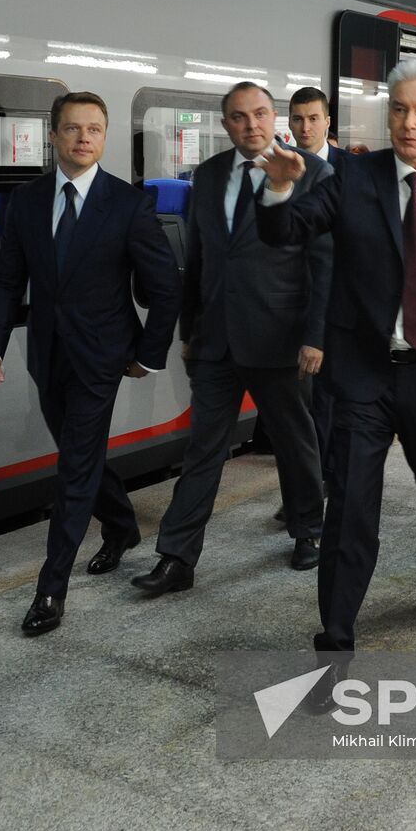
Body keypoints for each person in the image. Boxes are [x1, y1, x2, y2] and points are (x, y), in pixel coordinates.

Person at [255, 55, 416, 685]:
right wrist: (281, 186)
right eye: (399, 110)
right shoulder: (352, 176)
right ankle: (335, 641)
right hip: (365, 373)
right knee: (352, 509)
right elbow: (286, 231)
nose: (409, 123)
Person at [0, 92, 181, 635]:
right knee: (79, 454)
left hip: (102, 355)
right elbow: (6, 283)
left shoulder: (127, 203)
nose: (83, 138)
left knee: (73, 469)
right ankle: (121, 526)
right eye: (72, 129)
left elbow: (166, 288)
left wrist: (148, 355)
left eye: (93, 129)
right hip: (47, 352)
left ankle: (51, 590)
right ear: (53, 136)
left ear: (104, 136)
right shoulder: (27, 200)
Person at [130, 81, 331, 595]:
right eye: (239, 117)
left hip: (280, 337)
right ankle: (177, 558)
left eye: (260, 114)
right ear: (226, 125)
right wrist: (190, 331)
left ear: (274, 117)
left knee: (294, 440)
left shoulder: (312, 174)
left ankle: (309, 529)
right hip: (216, 340)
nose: (251, 125)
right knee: (202, 449)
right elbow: (197, 260)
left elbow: (325, 263)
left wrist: (315, 336)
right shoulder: (210, 174)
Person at [286, 87, 348, 500]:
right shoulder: (282, 168)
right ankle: (307, 492)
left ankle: (323, 488)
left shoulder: (351, 171)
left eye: (313, 118)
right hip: (287, 308)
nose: (305, 127)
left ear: (328, 122)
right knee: (300, 413)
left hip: (339, 309)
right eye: (297, 119)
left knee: (328, 407)